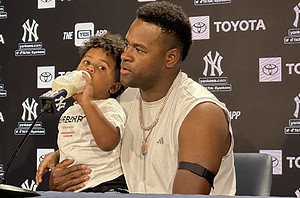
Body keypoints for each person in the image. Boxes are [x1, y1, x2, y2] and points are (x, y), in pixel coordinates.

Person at [36, 1, 236, 195]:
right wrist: (63, 166)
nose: (125, 55)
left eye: (138, 50)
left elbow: (186, 196)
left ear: (170, 58)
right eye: (128, 45)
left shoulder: (201, 112)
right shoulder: (124, 99)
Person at [36, 32, 128, 193]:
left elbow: (108, 142)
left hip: (105, 186)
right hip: (73, 190)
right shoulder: (70, 111)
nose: (90, 68)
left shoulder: (109, 106)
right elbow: (77, 144)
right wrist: (57, 155)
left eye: (101, 67)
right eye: (86, 61)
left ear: (113, 87)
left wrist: (87, 102)